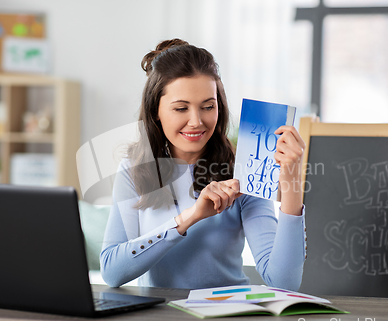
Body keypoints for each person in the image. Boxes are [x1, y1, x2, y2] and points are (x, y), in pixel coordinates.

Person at [100, 39, 306, 290]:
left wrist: (292, 186)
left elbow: (284, 282)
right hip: (159, 320)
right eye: (181, 109)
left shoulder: (242, 171)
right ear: (156, 110)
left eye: (208, 106)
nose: (196, 121)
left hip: (227, 318)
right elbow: (112, 271)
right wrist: (191, 217)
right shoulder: (135, 171)